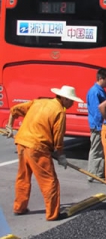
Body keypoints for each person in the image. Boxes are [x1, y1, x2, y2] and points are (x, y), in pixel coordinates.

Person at [4, 85, 83, 221]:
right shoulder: (59, 112)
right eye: (71, 100)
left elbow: (14, 110)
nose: (72, 103)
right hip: (37, 147)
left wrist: (10, 126)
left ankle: (19, 207)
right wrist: (61, 155)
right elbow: (58, 139)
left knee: (23, 177)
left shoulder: (39, 102)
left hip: (22, 143)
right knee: (49, 181)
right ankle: (53, 214)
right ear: (64, 99)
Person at [86, 67, 106, 182]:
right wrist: (101, 125)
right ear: (101, 78)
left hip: (101, 124)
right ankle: (93, 174)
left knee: (101, 150)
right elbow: (96, 110)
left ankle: (99, 172)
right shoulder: (94, 92)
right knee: (96, 150)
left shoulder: (101, 91)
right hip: (98, 125)